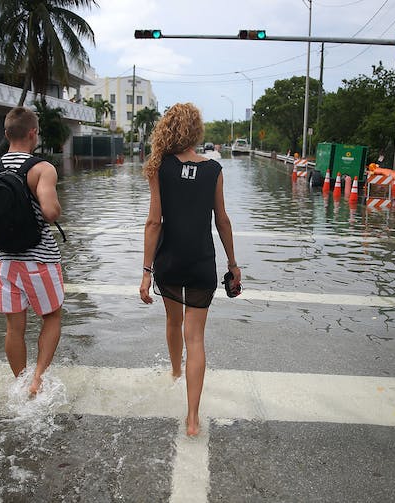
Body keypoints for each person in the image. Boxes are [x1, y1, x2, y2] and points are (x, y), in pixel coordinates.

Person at [139, 103, 242, 436]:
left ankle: (174, 372)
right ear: (196, 130)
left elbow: (154, 222)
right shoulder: (214, 169)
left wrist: (146, 271)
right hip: (201, 263)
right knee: (195, 338)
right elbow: (222, 220)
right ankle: (193, 417)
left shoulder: (158, 167)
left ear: (167, 129)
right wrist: (232, 264)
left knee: (173, 321)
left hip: (169, 261)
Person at [0, 106, 64, 396]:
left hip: (5, 262)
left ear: (6, 135)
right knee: (52, 317)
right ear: (34, 134)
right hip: (40, 260)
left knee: (14, 327)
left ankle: (20, 382)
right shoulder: (42, 169)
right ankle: (37, 380)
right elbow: (51, 212)